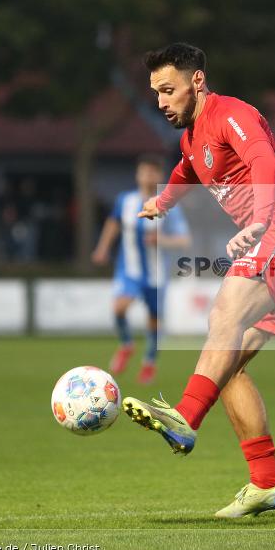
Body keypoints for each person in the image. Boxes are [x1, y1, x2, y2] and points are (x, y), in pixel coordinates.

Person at [122, 43, 275, 517]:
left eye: (168, 90)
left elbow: (260, 161)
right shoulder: (191, 136)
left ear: (197, 81)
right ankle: (266, 482)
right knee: (229, 363)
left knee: (223, 314)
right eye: (156, 93)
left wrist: (258, 220)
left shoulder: (232, 113)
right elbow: (186, 170)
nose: (161, 101)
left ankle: (185, 417)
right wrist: (164, 202)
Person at [92, 155, 191, 385]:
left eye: (152, 172)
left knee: (154, 323)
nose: (148, 176)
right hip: (129, 270)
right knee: (119, 308)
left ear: (160, 176)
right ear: (137, 174)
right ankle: (127, 344)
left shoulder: (170, 206)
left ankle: (148, 364)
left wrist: (162, 240)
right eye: (144, 171)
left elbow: (184, 240)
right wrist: (102, 248)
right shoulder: (124, 201)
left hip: (156, 274)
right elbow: (113, 223)